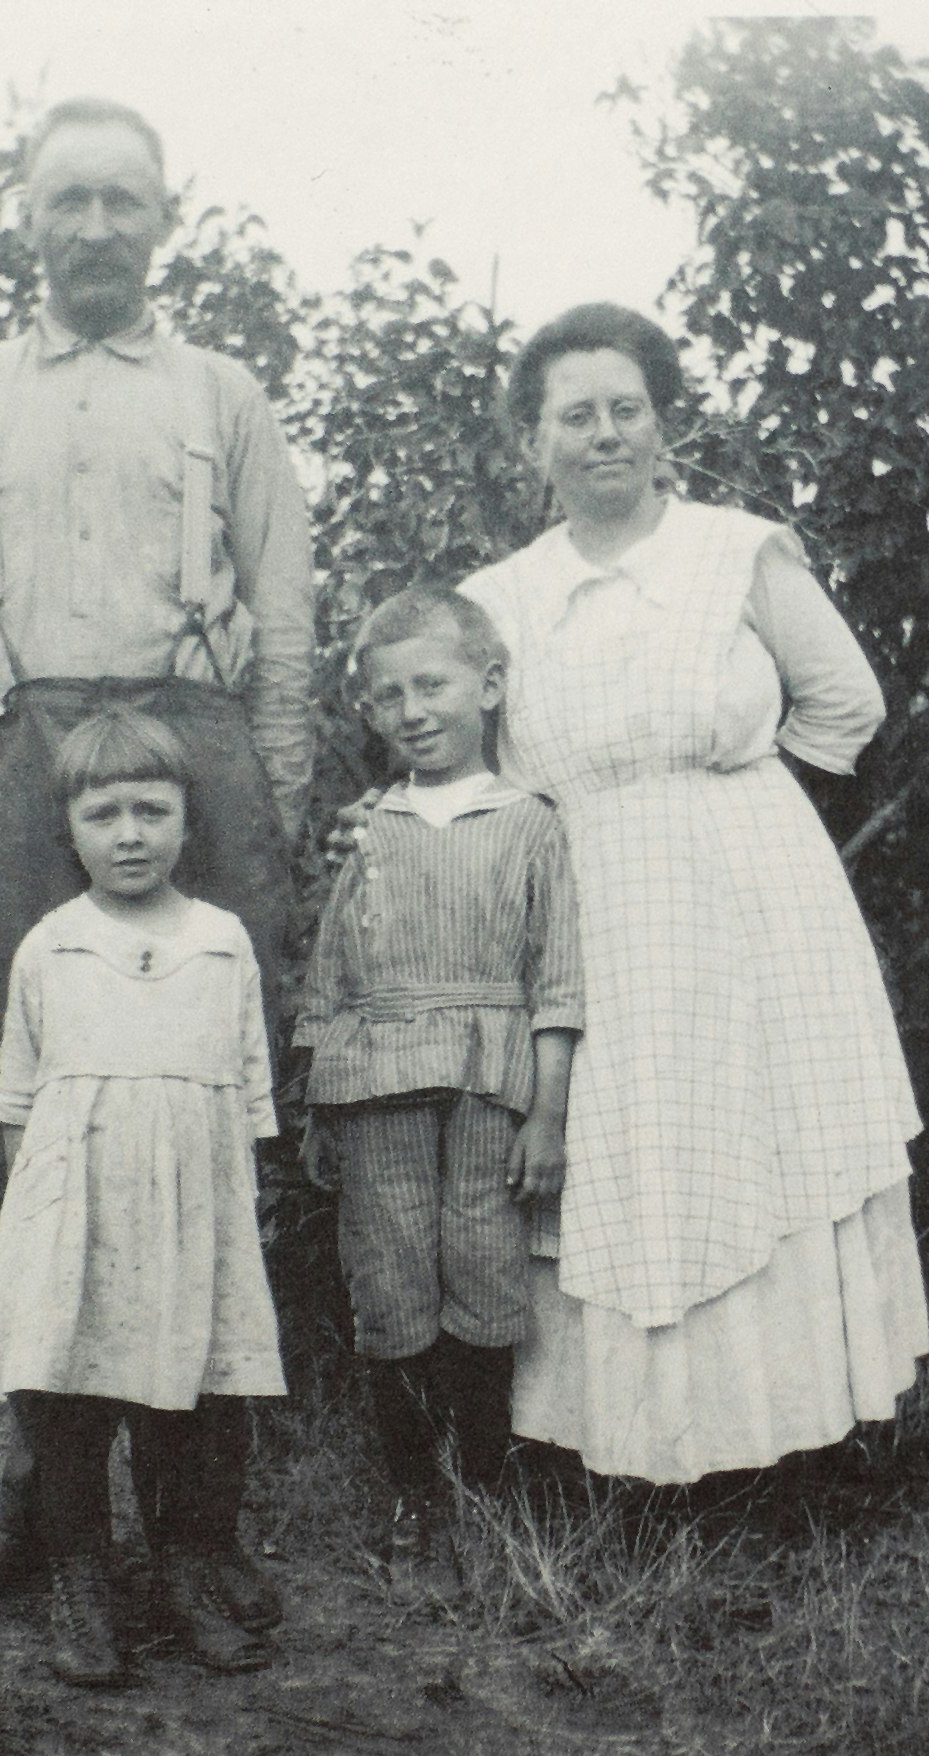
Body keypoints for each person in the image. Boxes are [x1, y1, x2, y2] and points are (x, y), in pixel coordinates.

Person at [0, 97, 313, 1610]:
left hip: (196, 766)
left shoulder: (224, 393)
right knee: (18, 1119)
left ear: (167, 219)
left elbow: (284, 614)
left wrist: (264, 798)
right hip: (15, 771)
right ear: (24, 217)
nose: (96, 228)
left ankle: (200, 1529)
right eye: (67, 200)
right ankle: (48, 1513)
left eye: (123, 202)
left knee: (205, 1114)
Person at [455, 302, 929, 1485]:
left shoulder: (733, 549)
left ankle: (788, 1454)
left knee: (761, 1138)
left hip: (750, 898)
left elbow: (845, 706)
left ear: (663, 426)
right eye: (575, 415)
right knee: (621, 1149)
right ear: (533, 443)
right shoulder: (499, 598)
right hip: (586, 905)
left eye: (627, 409)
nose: (604, 433)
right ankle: (628, 1453)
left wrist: (747, 819)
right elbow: (473, 768)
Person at [0, 709, 285, 1682]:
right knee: (68, 1400)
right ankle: (82, 1581)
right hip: (80, 1220)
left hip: (192, 1218)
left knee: (189, 1405)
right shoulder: (50, 946)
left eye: (151, 809)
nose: (130, 833)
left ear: (188, 818)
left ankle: (184, 1572)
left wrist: (240, 1213)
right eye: (103, 813)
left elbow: (248, 1087)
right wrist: (39, 1229)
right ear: (69, 829)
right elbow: (19, 1098)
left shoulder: (222, 940)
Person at [297, 585, 583, 1590]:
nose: (413, 710)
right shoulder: (365, 829)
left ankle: (479, 1497)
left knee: (483, 1273)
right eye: (388, 696)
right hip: (375, 1085)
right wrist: (319, 1102)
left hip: (488, 1086)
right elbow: (331, 970)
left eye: (433, 684)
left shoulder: (529, 823)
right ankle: (412, 1500)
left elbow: (556, 983)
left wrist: (545, 1116)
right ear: (367, 713)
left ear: (488, 685)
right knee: (390, 1283)